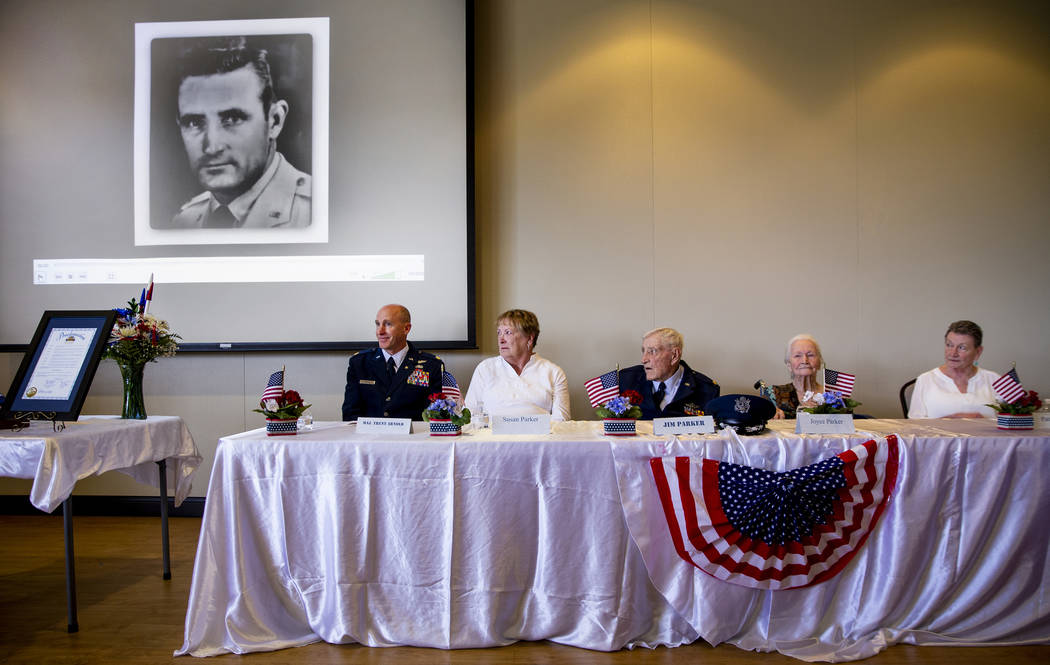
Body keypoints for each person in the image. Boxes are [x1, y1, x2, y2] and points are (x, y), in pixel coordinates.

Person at [169, 37, 310, 229]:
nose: (211, 147)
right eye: (194, 123)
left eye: (232, 119)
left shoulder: (317, 214)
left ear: (275, 121)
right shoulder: (184, 221)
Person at [342, 304, 444, 420]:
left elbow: (436, 415)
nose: (380, 331)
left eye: (388, 324)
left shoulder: (431, 365)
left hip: (414, 436)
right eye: (378, 324)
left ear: (406, 328)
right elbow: (350, 415)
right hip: (369, 436)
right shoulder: (360, 363)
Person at [464, 309, 570, 421]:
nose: (501, 339)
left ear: (529, 338)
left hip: (539, 437)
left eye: (508, 332)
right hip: (493, 437)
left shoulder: (553, 372)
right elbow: (469, 416)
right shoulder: (485, 368)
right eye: (499, 332)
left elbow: (561, 422)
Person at [617, 328, 719, 419]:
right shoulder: (626, 381)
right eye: (643, 351)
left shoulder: (707, 390)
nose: (643, 360)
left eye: (652, 351)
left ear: (674, 355)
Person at [908, 320, 998, 419]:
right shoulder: (926, 380)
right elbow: (915, 425)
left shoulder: (994, 379)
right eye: (949, 345)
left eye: (962, 347)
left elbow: (1013, 420)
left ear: (978, 352)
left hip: (988, 435)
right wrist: (950, 422)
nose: (953, 353)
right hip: (939, 435)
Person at [770, 334, 826, 419]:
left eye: (810, 355)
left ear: (819, 362)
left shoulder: (833, 395)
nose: (805, 361)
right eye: (797, 356)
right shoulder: (774, 394)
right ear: (789, 365)